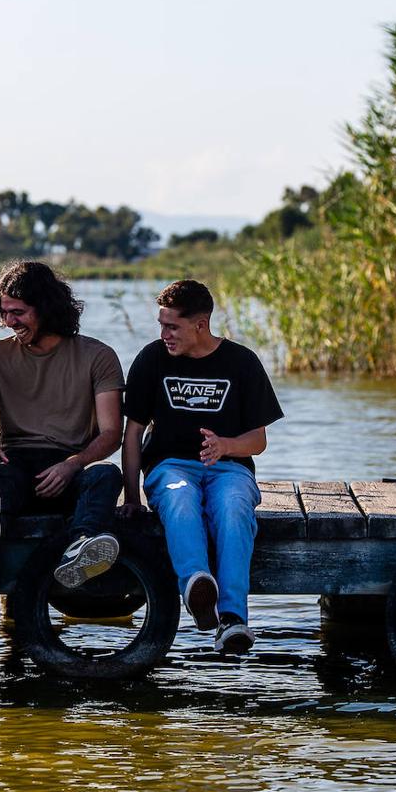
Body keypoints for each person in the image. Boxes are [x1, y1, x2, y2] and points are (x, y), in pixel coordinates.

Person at [120, 280, 283, 654]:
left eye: (172, 326)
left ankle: (232, 620)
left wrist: (226, 446)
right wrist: (132, 495)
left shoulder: (241, 362)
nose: (164, 334)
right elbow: (132, 434)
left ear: (200, 324)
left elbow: (258, 440)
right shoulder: (151, 359)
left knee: (233, 508)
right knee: (180, 501)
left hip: (230, 469)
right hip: (171, 467)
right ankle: (197, 587)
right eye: (161, 325)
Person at [0, 261, 124, 586]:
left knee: (107, 474)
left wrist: (73, 465)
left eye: (19, 312)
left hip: (71, 465)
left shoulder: (98, 356)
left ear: (47, 308)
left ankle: (80, 549)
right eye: (5, 311)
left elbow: (112, 433)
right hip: (17, 462)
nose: (10, 321)